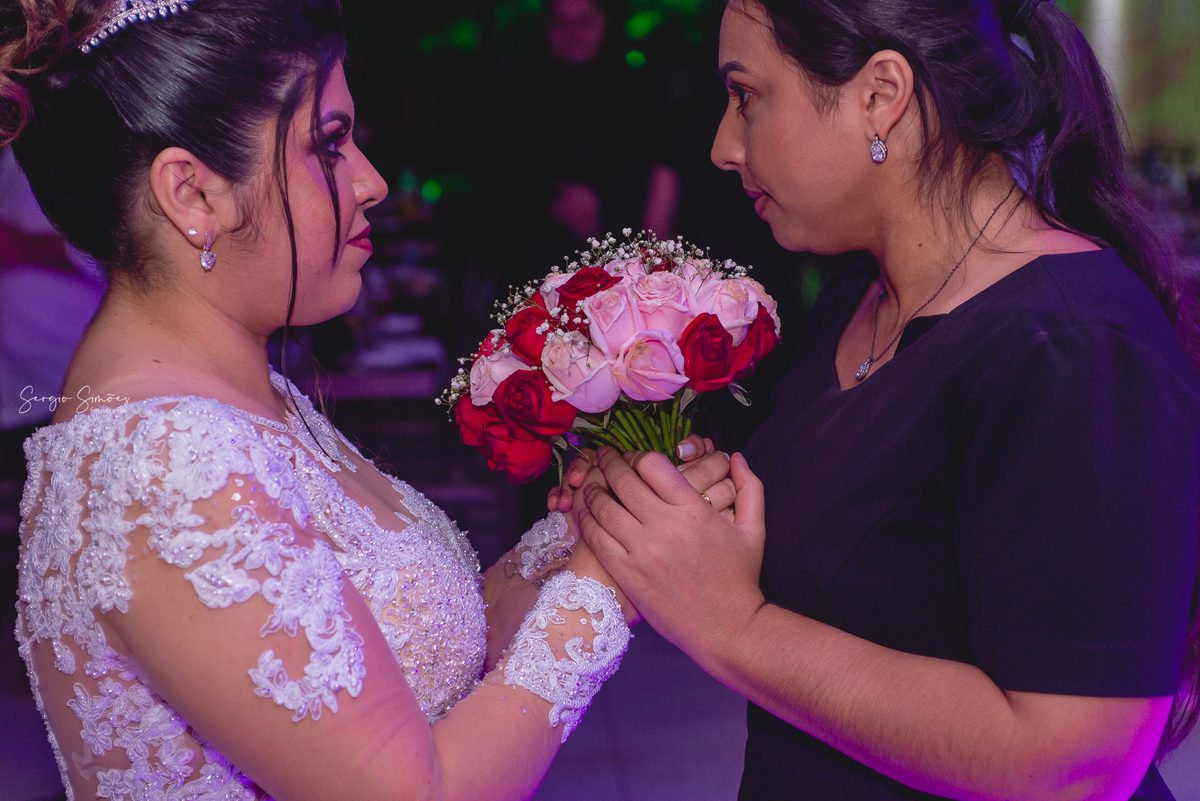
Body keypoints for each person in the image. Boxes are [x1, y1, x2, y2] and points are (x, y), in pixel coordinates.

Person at [0, 1, 735, 799]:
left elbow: (407, 659)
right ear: (192, 194)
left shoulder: (230, 396)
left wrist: (584, 536)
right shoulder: (166, 461)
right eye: (328, 145)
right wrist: (602, 588)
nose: (372, 180)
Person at [557, 0, 1200, 799]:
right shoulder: (863, 300)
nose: (724, 146)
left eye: (747, 96)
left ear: (880, 94)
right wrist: (670, 519)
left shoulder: (1071, 345)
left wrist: (734, 624)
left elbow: (1069, 760)